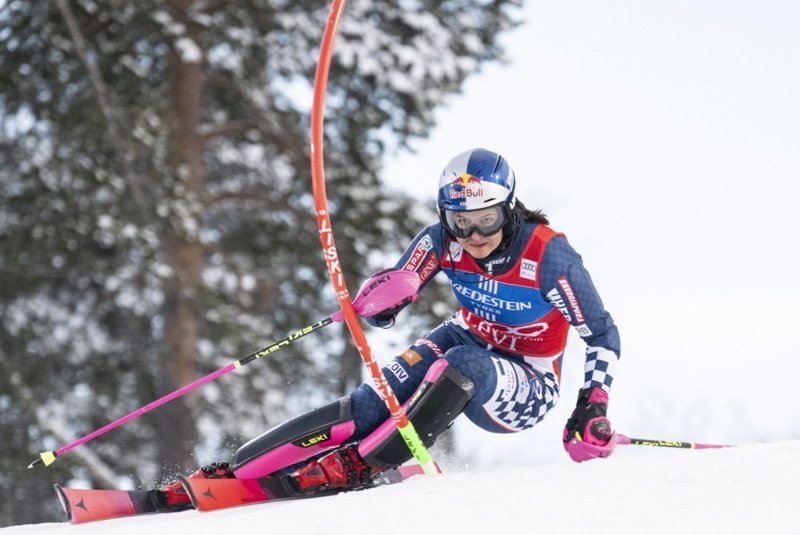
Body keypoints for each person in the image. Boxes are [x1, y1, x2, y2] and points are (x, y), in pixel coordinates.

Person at [156, 148, 621, 510]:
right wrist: (382, 302)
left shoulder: (549, 256)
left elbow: (601, 333)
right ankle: (235, 473)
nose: (474, 236)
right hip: (465, 334)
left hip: (528, 380)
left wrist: (592, 404)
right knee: (368, 405)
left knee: (463, 364)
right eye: (460, 222)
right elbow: (398, 286)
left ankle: (362, 464)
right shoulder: (441, 240)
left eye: (487, 220)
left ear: (510, 209)